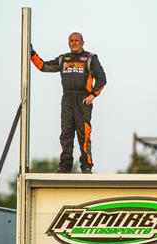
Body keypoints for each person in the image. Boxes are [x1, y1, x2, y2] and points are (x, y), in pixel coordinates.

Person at [30, 32, 106, 174]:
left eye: (77, 40)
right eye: (71, 40)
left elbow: (102, 79)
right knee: (66, 134)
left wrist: (93, 95)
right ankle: (65, 166)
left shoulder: (91, 58)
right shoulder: (63, 59)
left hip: (83, 100)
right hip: (67, 99)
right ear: (68, 43)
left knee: (84, 134)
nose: (74, 42)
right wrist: (32, 53)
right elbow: (43, 66)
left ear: (82, 42)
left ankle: (86, 166)